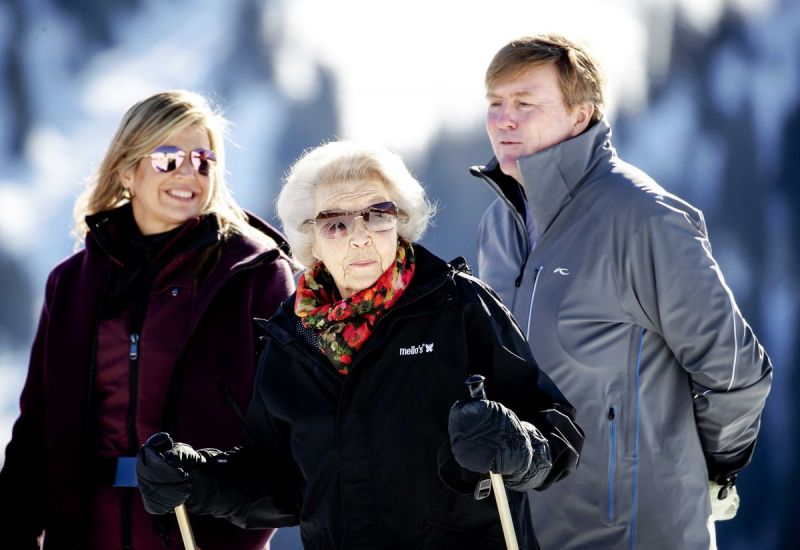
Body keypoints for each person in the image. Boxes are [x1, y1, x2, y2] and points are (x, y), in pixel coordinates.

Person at [135, 140, 585, 549]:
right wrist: (199, 479)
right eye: (336, 224)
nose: (361, 235)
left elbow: (558, 430)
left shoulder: (460, 306)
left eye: (378, 214)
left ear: (401, 221)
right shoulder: (292, 340)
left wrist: (518, 447)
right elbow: (279, 485)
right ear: (310, 239)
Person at [469, 34, 773, 549]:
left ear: (581, 114)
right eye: (495, 104)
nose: (504, 120)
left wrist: (712, 469)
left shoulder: (645, 220)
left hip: (637, 534)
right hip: (529, 532)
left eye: (525, 103)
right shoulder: (500, 226)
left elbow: (736, 372)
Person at [0, 90, 295, 549]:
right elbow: (37, 426)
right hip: (83, 533)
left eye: (203, 160)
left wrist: (214, 491)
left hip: (202, 536)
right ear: (127, 170)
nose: (189, 174)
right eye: (167, 158)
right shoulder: (72, 283)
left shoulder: (254, 277)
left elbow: (287, 439)